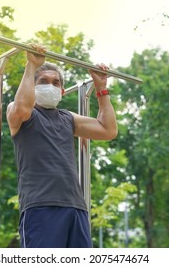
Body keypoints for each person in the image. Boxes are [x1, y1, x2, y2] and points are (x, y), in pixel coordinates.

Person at [6, 44, 117, 248]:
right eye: (44, 81)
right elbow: (22, 107)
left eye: (56, 82)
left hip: (75, 207)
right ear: (33, 85)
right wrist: (31, 66)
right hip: (41, 206)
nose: (51, 85)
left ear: (62, 91)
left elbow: (107, 130)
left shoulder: (68, 118)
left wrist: (102, 89)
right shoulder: (21, 112)